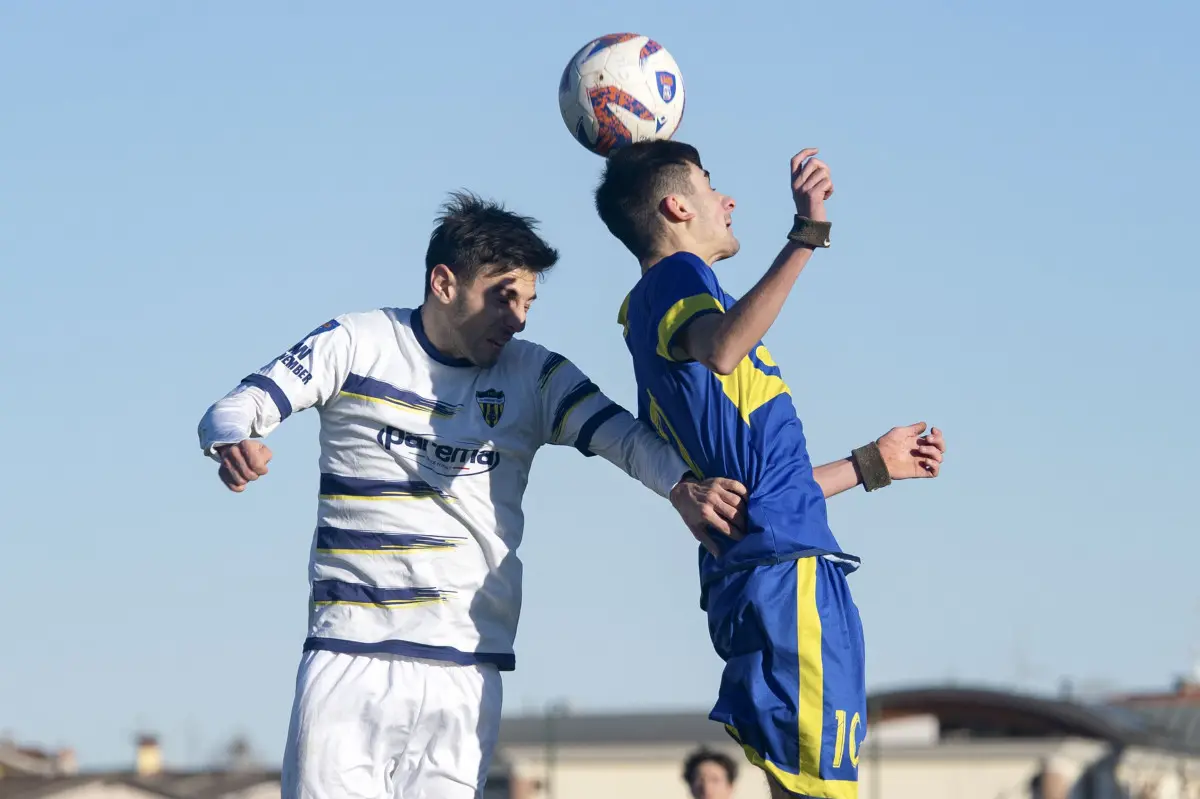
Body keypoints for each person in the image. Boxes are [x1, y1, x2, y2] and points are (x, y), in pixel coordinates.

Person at [196, 192, 748, 799]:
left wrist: (681, 487)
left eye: (529, 302)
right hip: (351, 654)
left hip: (469, 668)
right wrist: (234, 440)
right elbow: (235, 406)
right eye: (503, 296)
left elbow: (627, 438)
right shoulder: (355, 341)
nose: (519, 318)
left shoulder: (535, 375)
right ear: (444, 282)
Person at [594, 141, 947, 799]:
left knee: (803, 786)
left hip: (778, 564)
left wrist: (871, 464)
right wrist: (807, 234)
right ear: (676, 205)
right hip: (783, 577)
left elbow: (769, 490)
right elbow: (727, 347)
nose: (727, 201)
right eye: (710, 186)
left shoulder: (675, 305)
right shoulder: (676, 280)